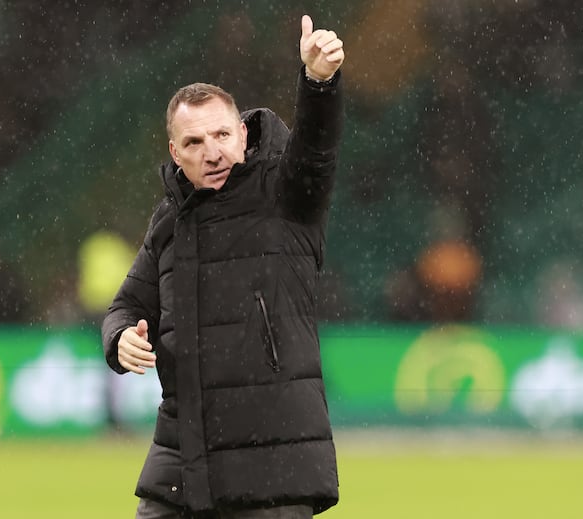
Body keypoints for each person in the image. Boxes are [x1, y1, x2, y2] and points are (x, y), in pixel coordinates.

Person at [101, 14, 344, 519]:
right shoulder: (170, 219)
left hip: (273, 464)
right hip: (183, 461)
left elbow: (317, 150)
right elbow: (125, 305)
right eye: (193, 143)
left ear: (243, 133)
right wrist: (119, 337)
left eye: (221, 135)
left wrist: (318, 83)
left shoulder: (285, 193)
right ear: (174, 152)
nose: (212, 152)